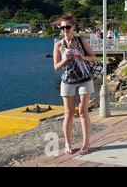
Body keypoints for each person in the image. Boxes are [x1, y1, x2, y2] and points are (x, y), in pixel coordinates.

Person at [53, 13, 96, 155]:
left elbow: (93, 57)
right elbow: (56, 67)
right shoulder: (58, 45)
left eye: (67, 27)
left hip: (85, 80)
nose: (65, 30)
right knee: (69, 113)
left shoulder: (81, 40)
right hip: (67, 82)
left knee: (83, 112)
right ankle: (68, 144)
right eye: (62, 27)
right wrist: (65, 59)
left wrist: (81, 56)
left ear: (73, 27)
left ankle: (86, 144)